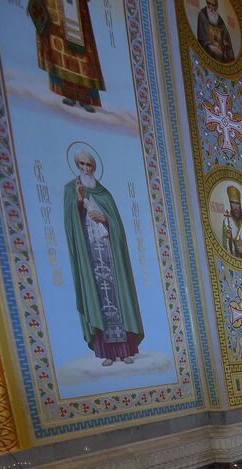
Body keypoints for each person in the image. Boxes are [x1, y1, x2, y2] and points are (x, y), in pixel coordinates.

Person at [63, 147, 145, 365]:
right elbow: (71, 224)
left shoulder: (104, 193)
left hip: (110, 255)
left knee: (119, 299)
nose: (85, 169)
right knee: (98, 299)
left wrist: (105, 218)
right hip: (89, 255)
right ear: (76, 166)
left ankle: (126, 350)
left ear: (94, 167)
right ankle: (107, 354)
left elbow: (116, 224)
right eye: (81, 165)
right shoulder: (71, 190)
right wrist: (79, 202)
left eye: (88, 165)